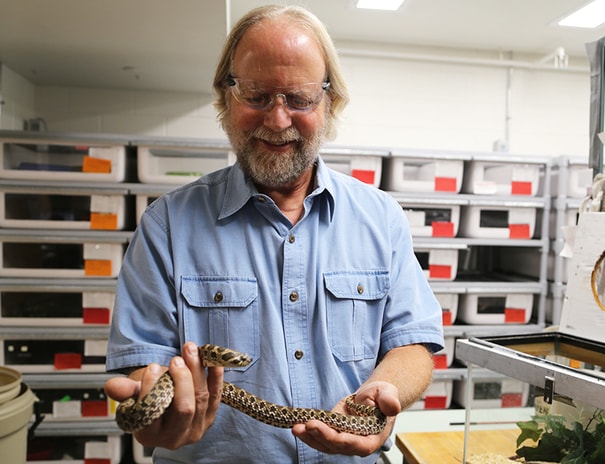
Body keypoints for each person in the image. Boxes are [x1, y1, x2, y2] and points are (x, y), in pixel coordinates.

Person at [104, 5, 444, 463]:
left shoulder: (381, 217)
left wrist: (387, 392)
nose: (278, 119)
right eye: (257, 95)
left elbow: (413, 344)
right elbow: (141, 373)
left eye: (299, 98)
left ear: (329, 103)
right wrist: (153, 410)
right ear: (226, 98)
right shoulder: (166, 225)